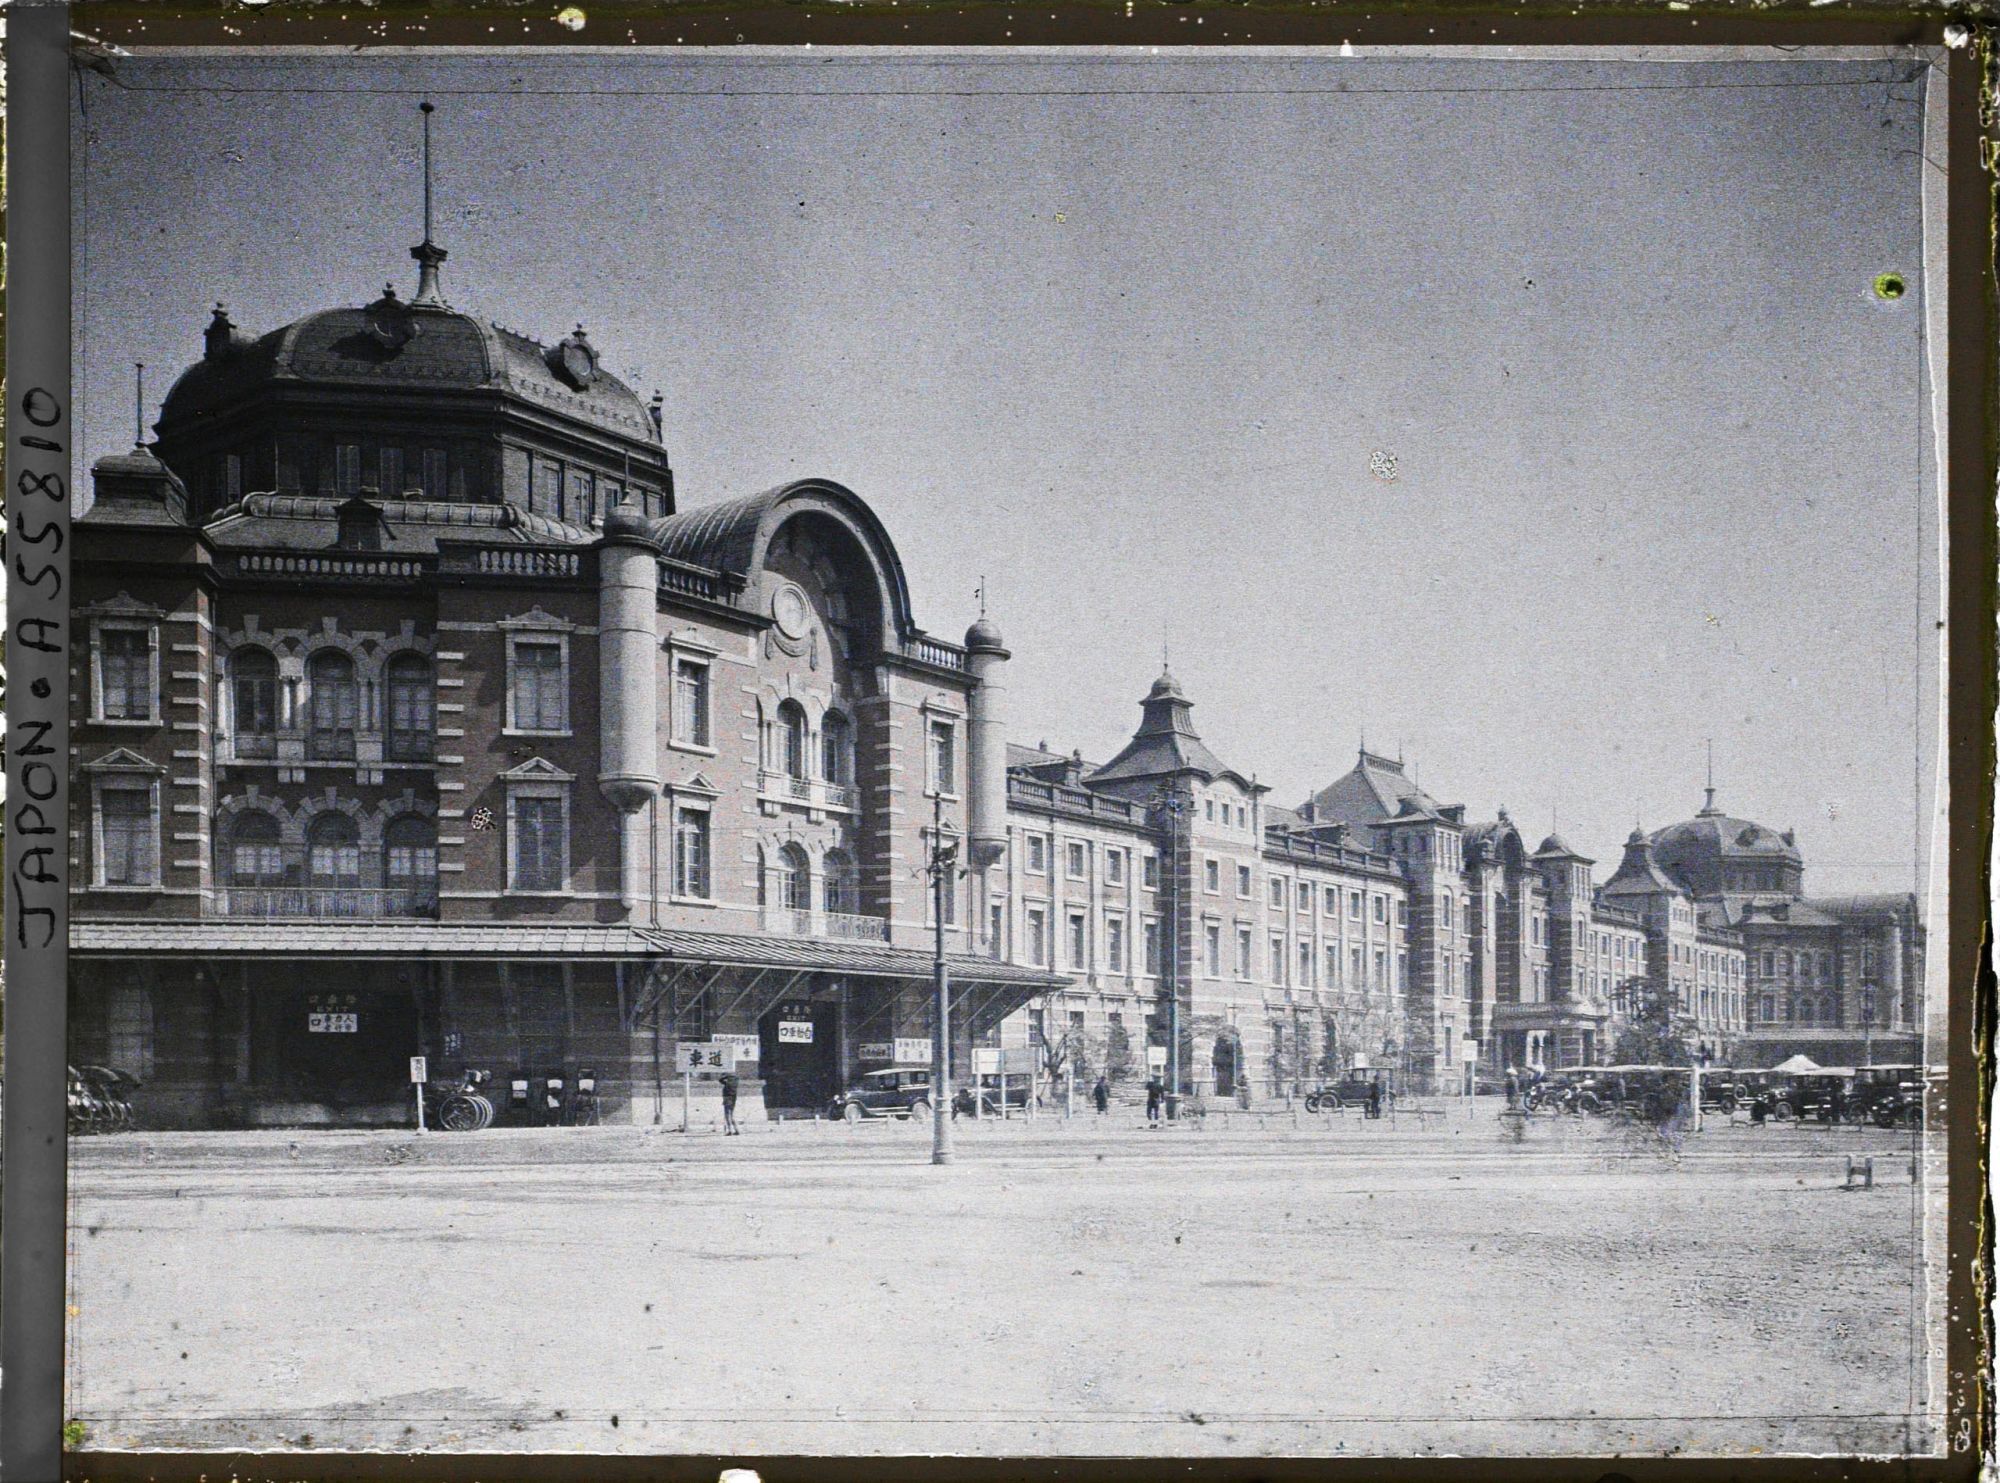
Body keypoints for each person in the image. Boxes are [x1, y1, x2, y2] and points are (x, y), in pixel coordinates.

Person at [719, 1072, 740, 1136]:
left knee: (727, 1115)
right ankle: (736, 1129)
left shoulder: (728, 1083)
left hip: (727, 1098)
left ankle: (729, 1130)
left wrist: (725, 1076)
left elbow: (720, 1080)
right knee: (732, 1115)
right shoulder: (735, 1083)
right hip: (733, 1099)